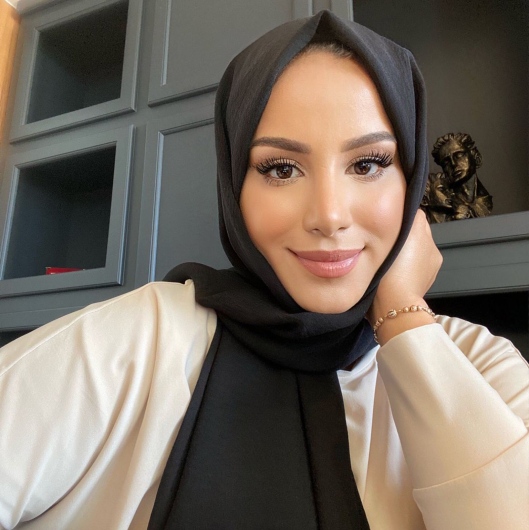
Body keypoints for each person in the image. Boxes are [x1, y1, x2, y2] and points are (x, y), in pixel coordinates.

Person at [0, 11, 528, 530]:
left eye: (368, 164)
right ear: (235, 183)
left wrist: (405, 321)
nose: (329, 216)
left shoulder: (477, 361)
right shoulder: (142, 341)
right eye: (281, 168)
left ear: (410, 180)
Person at [431, 132, 493, 219]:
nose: (453, 164)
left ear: (476, 158)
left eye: (459, 155)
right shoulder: (443, 205)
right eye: (446, 162)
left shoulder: (486, 202)